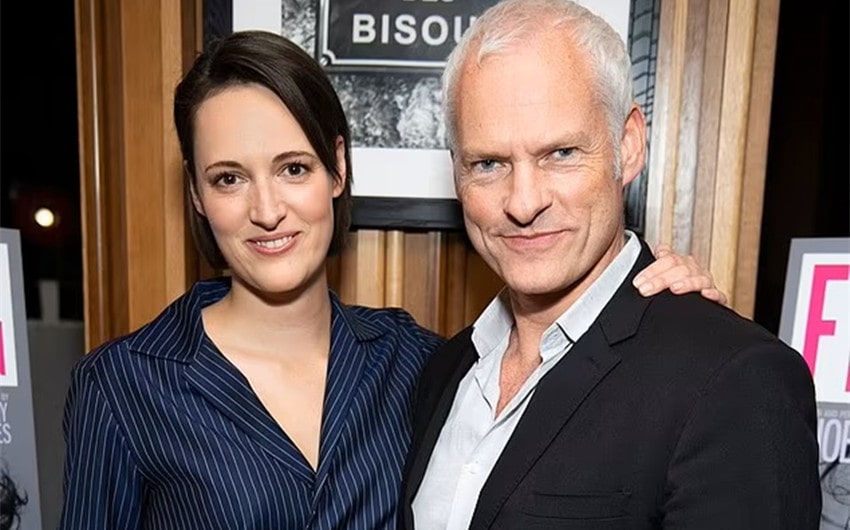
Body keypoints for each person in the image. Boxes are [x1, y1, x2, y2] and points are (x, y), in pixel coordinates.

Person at [59, 30, 726, 529]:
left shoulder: (422, 364)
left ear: (337, 169)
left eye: (293, 168)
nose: (266, 210)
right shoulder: (123, 385)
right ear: (198, 196)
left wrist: (668, 311)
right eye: (229, 178)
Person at [399, 1, 821, 529]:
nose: (523, 203)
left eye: (561, 154)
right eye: (489, 164)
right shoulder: (445, 371)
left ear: (629, 144)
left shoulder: (735, 381)